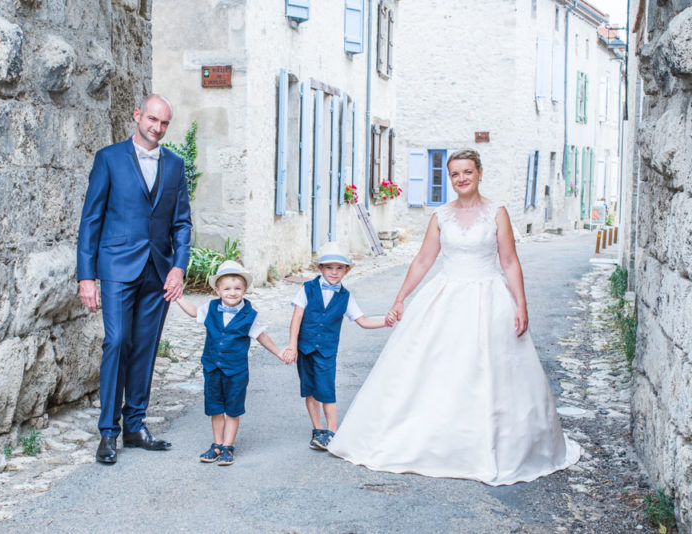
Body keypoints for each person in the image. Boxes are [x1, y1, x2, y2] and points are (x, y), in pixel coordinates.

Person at [327, 149, 581, 485]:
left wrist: (521, 305)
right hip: (445, 294)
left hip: (488, 296)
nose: (461, 179)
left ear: (479, 173)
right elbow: (422, 261)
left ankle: (485, 446)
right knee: (430, 367)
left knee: (486, 370)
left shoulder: (497, 213)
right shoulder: (441, 216)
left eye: (467, 172)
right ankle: (427, 440)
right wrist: (400, 298)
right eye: (455, 174)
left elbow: (509, 262)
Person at [77, 94, 192, 464]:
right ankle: (108, 432)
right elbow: (91, 220)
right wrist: (87, 277)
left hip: (158, 272)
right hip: (115, 268)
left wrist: (178, 266)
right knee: (117, 341)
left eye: (164, 123)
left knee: (145, 346)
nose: (157, 128)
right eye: (152, 120)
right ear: (137, 116)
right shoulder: (108, 159)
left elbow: (183, 223)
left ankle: (135, 424)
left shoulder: (175, 165)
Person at [175, 261, 293, 465]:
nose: (232, 293)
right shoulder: (210, 308)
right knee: (215, 408)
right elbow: (194, 312)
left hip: (236, 373)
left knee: (233, 409)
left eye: (237, 288)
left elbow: (261, 336)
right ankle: (217, 444)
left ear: (244, 290)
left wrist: (279, 352)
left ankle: (228, 446)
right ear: (217, 290)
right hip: (212, 369)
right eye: (227, 289)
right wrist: (177, 298)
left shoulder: (249, 315)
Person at [285, 243, 388, 451]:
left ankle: (331, 432)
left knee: (327, 390)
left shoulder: (346, 297)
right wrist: (292, 346)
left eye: (339, 268)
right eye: (329, 267)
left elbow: (363, 321)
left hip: (326, 351)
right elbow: (297, 317)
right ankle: (318, 429)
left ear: (346, 271)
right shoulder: (307, 288)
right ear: (321, 269)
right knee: (310, 390)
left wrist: (387, 320)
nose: (334, 272)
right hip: (305, 349)